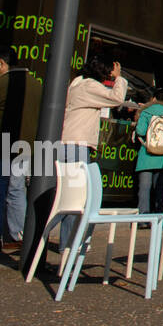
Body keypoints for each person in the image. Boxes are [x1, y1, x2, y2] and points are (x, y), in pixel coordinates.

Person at [58, 53, 129, 251]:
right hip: (77, 143)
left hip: (68, 141)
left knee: (67, 197)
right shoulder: (89, 85)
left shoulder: (76, 83)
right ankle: (68, 245)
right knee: (76, 198)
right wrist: (119, 78)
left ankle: (62, 242)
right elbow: (116, 98)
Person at [0, 47, 41, 253]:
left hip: (1, 147)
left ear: (2, 63)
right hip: (26, 147)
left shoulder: (0, 84)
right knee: (16, 190)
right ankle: (18, 235)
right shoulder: (36, 85)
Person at [134, 87, 163, 214]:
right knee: (160, 188)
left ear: (154, 98)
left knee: (144, 189)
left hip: (147, 155)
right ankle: (159, 218)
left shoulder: (146, 112)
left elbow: (140, 131)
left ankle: (143, 219)